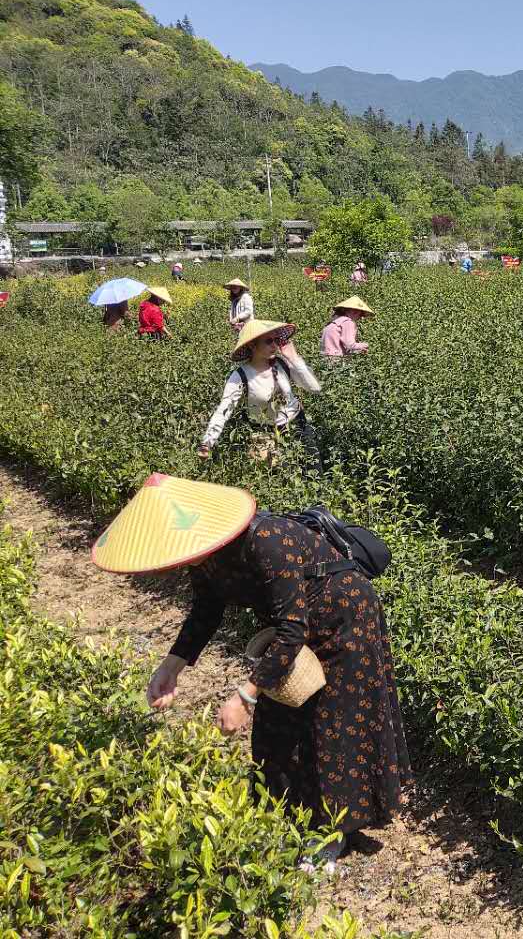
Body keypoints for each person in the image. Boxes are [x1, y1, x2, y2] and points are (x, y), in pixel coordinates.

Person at [94, 473, 409, 864]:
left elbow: (292, 629)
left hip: (344, 619)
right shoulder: (204, 555)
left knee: (330, 725)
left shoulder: (266, 540)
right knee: (280, 723)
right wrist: (171, 666)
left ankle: (332, 835)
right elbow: (206, 611)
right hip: (298, 624)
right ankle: (291, 813)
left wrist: (244, 696)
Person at [199, 320, 323, 466]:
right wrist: (207, 442)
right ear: (252, 345)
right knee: (278, 480)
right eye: (269, 341)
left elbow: (314, 388)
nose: (275, 345)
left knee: (313, 473)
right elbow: (224, 410)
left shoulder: (282, 363)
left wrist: (295, 358)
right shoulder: (240, 376)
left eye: (277, 340)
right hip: (265, 434)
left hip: (298, 426)